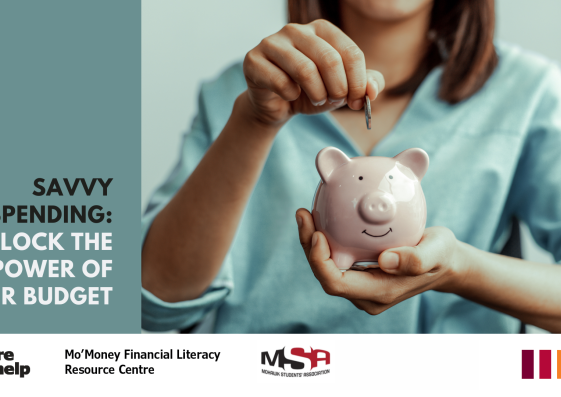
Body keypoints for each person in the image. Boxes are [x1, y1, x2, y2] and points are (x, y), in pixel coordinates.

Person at [141, 0, 561, 333]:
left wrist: (460, 268)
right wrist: (253, 122)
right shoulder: (243, 95)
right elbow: (155, 298)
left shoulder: (528, 93)